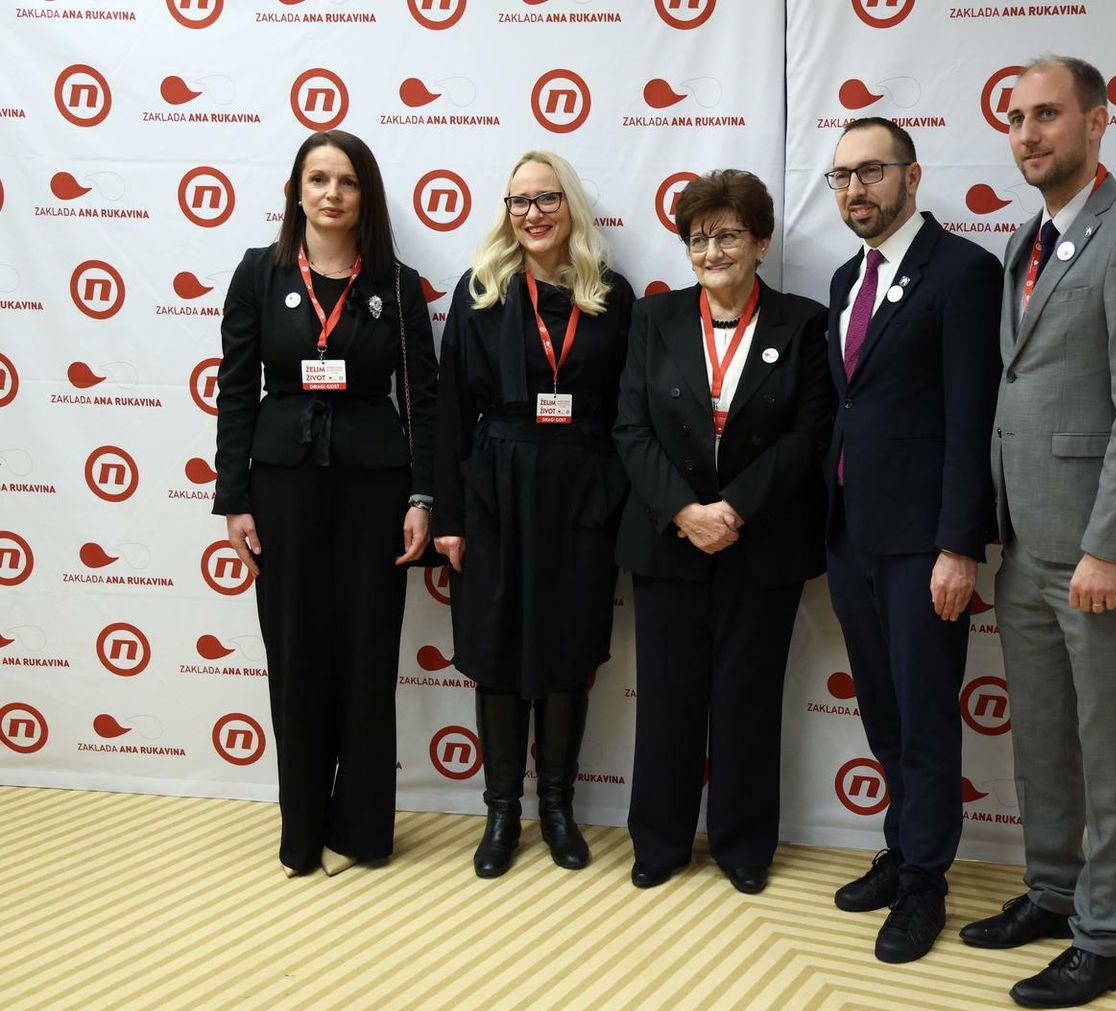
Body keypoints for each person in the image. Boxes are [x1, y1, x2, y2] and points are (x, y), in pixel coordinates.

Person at [964, 56, 1116, 1010]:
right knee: (1044, 740)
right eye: (1017, 118)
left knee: (1108, 748)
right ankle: (1053, 893)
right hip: (1025, 542)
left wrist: (1109, 545)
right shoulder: (1026, 239)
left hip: (1099, 550)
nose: (1028, 133)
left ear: (1097, 123)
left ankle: (1106, 938)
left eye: (1048, 114)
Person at [214, 130, 436, 878]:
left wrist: (423, 495)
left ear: (365, 195)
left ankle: (363, 829)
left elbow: (425, 401)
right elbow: (235, 390)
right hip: (283, 487)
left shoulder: (398, 285)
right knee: (296, 655)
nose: (332, 194)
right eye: (318, 179)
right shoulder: (258, 273)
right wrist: (234, 497)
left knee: (368, 654)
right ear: (297, 191)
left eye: (347, 181)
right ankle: (301, 831)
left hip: (376, 488)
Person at [613, 170, 833, 895]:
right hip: (668, 539)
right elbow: (631, 428)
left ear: (761, 242)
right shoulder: (654, 318)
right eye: (699, 238)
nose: (713, 252)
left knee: (748, 697)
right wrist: (685, 510)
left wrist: (733, 508)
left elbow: (808, 435)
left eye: (729, 236)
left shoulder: (804, 323)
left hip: (760, 543)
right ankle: (660, 839)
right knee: (667, 698)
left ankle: (743, 843)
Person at [821, 118, 1003, 962]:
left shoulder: (964, 272)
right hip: (851, 536)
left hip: (925, 545)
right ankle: (903, 850)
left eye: (872, 171)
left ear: (912, 176)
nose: (856, 189)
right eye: (842, 176)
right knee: (884, 712)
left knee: (926, 717)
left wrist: (959, 546)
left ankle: (926, 882)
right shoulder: (844, 279)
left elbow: (972, 418)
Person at [432, 151, 635, 877]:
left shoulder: (609, 294)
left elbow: (628, 409)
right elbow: (450, 411)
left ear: (569, 206)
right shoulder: (480, 291)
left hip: (580, 492)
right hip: (494, 487)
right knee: (494, 648)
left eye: (547, 198)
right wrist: (450, 517)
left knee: (568, 648)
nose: (533, 213)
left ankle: (556, 807)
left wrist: (612, 496)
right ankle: (500, 813)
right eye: (519, 201)